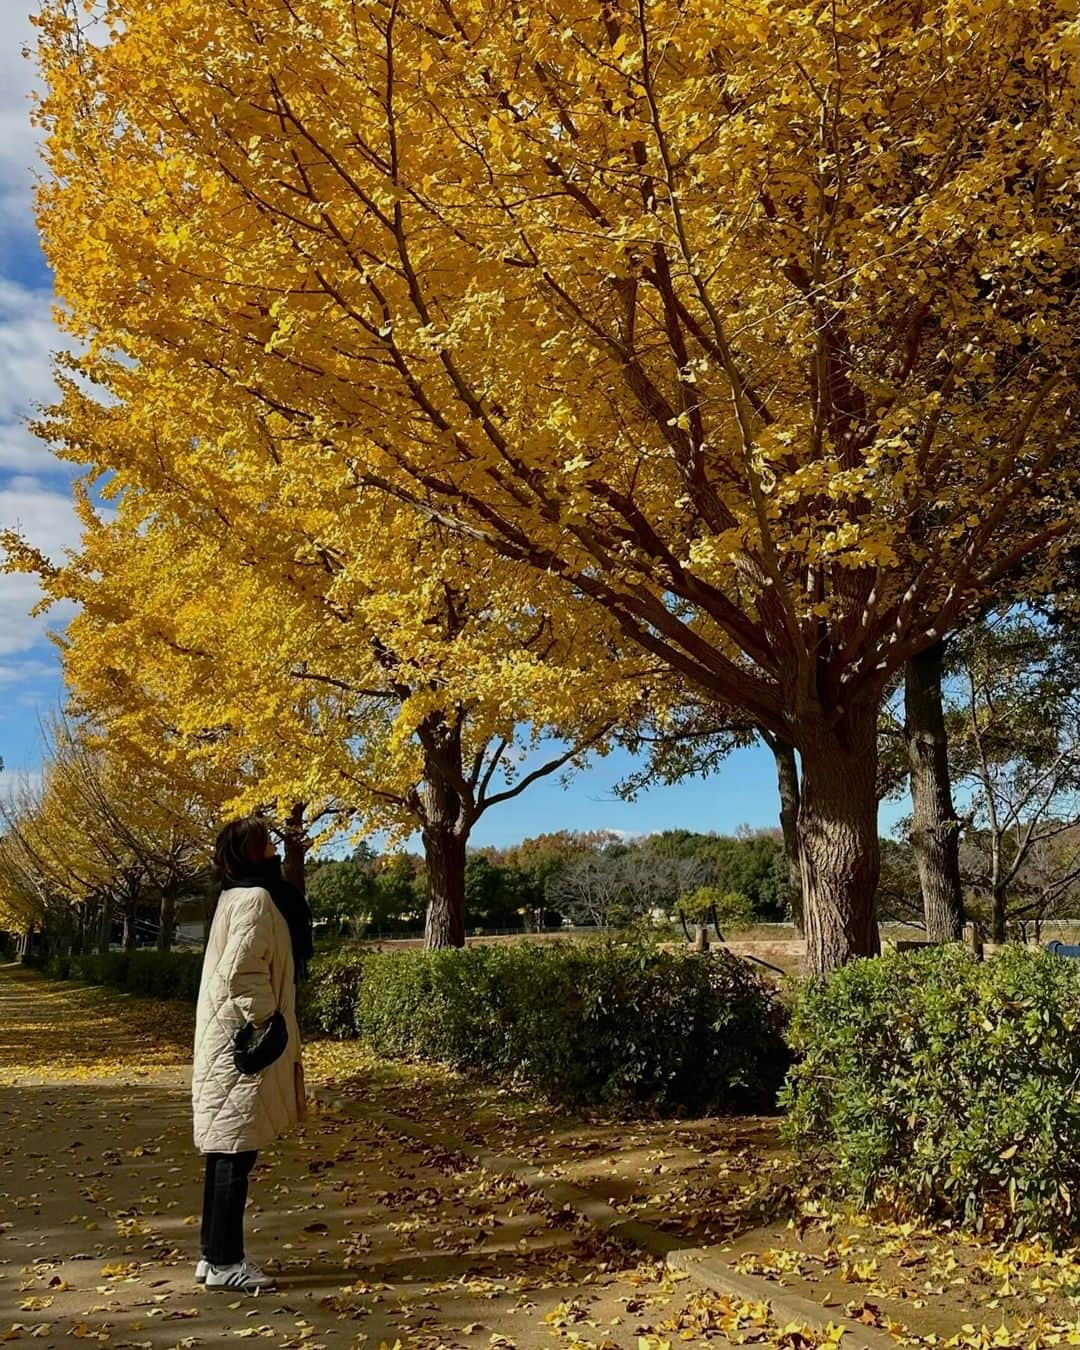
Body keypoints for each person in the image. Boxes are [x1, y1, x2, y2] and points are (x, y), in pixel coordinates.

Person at [192, 815, 314, 1293]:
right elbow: (241, 973)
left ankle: (212, 1255)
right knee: (235, 1152)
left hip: (226, 1038)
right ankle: (225, 1262)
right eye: (267, 844)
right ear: (252, 853)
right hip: (241, 1044)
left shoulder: (234, 894)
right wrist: (271, 1023)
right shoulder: (256, 898)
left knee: (226, 1150)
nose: (274, 850)